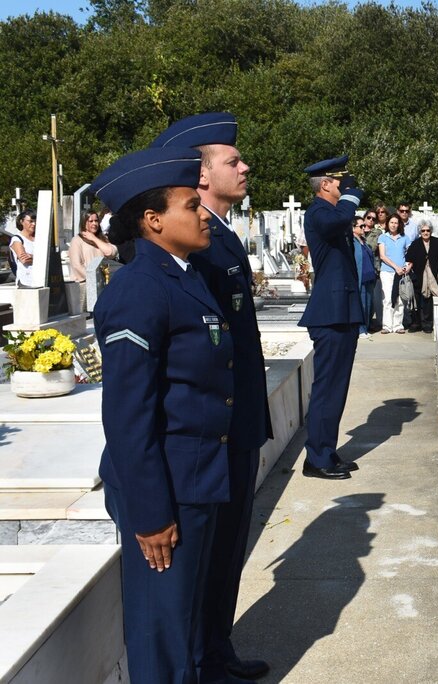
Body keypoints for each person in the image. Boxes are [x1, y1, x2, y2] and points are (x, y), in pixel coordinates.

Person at [92, 146, 227, 684]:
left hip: (195, 478)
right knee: (160, 634)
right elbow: (128, 413)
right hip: (163, 488)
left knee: (183, 627)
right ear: (153, 221)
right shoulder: (138, 289)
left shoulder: (182, 274)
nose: (202, 214)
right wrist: (149, 513)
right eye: (191, 205)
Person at [150, 112, 271, 682]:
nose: (244, 167)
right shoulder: (196, 243)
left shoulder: (220, 236)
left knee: (228, 553)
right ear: (201, 177)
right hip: (214, 427)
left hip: (239, 420)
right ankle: (203, 657)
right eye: (232, 161)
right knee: (208, 556)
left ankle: (216, 650)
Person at [298, 156, 364, 479]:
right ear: (325, 184)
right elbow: (339, 222)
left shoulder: (333, 212)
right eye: (340, 181)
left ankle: (327, 449)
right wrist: (352, 196)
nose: (346, 185)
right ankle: (316, 457)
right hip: (330, 314)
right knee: (326, 387)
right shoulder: (319, 212)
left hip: (343, 312)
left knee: (337, 387)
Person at [68, 210, 118, 310]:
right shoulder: (77, 240)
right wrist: (94, 280)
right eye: (90, 221)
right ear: (84, 222)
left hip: (103, 286)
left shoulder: (102, 239)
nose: (94, 224)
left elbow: (111, 253)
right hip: (86, 287)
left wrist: (94, 239)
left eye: (96, 221)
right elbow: (77, 265)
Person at [405, 219, 438, 333]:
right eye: (423, 230)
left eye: (428, 230)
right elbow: (409, 260)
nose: (425, 232)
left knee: (428, 301)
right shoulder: (415, 243)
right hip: (418, 276)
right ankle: (416, 323)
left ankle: (427, 324)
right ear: (420, 231)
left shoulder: (437, 242)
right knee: (416, 301)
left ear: (431, 231)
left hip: (432, 276)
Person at [377, 212, 411, 334]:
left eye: (396, 223)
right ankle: (387, 325)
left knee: (400, 299)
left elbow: (410, 255)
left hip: (401, 273)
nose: (394, 225)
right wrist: (396, 267)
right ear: (388, 224)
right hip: (387, 272)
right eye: (391, 222)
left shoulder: (405, 238)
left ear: (399, 224)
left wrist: (408, 267)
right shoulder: (383, 237)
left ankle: (397, 325)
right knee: (387, 298)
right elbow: (382, 256)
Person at [353, 216, 377, 338]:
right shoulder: (351, 242)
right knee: (361, 305)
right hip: (360, 278)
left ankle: (365, 328)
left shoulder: (364, 241)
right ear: (353, 228)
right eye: (361, 226)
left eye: (364, 226)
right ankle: (360, 329)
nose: (364, 227)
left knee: (368, 305)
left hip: (369, 278)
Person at [363, 208, 384, 332]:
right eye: (368, 218)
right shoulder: (356, 230)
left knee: (372, 298)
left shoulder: (377, 233)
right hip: (359, 268)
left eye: (373, 219)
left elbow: (372, 247)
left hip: (373, 268)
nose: (371, 220)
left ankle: (370, 322)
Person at [9, 210, 35, 287]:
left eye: (35, 221)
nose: (34, 224)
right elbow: (24, 260)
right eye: (30, 221)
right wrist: (40, 258)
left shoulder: (39, 238)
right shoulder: (17, 239)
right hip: (26, 282)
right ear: (21, 222)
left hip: (41, 279)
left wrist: (32, 257)